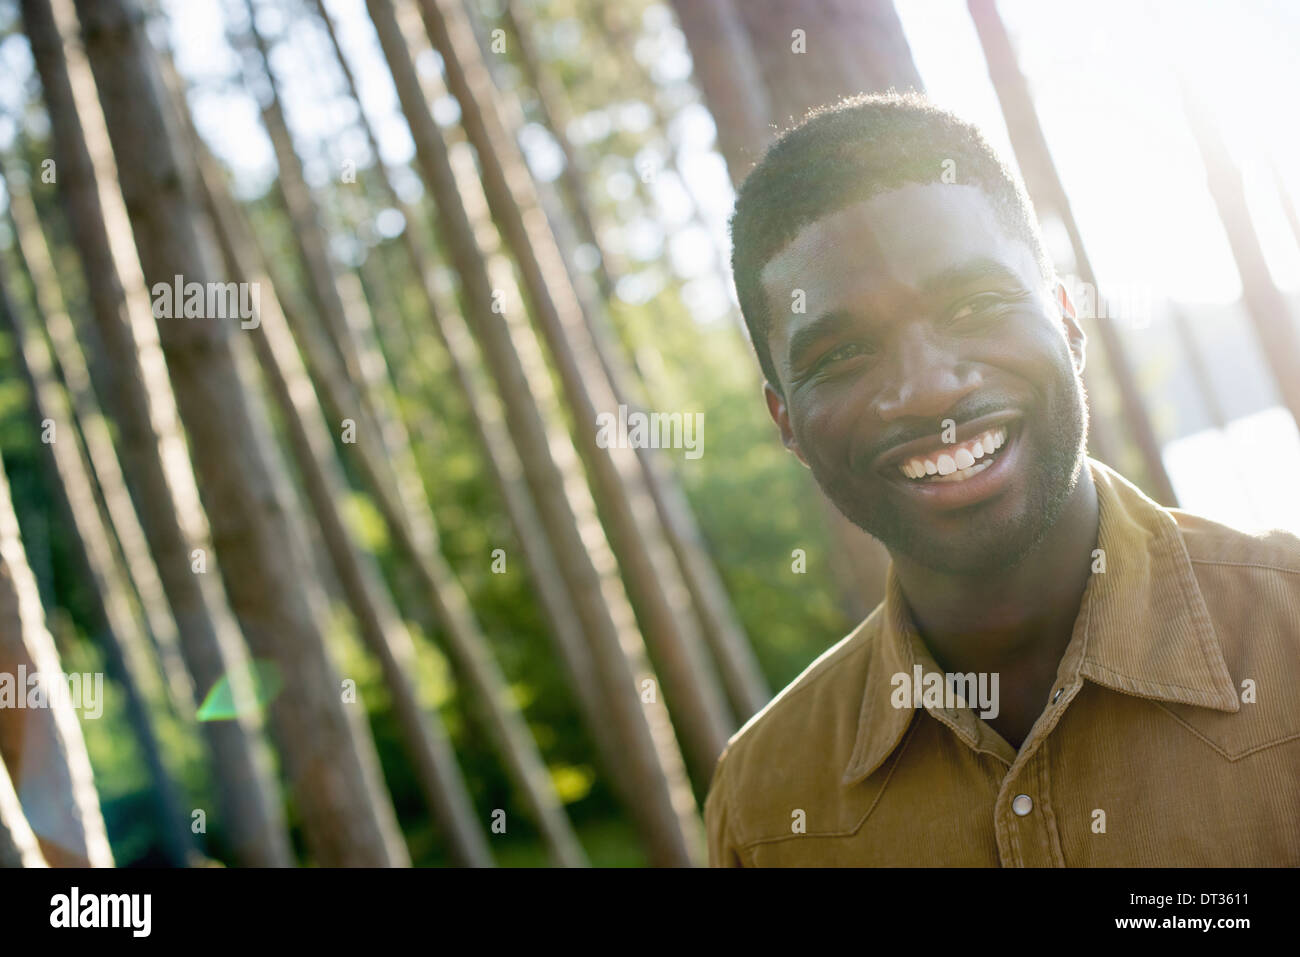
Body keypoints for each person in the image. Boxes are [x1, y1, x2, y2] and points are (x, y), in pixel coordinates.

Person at [705, 92, 1300, 866]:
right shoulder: (764, 807)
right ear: (788, 422)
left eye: (977, 302)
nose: (927, 389)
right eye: (842, 354)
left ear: (1067, 317)